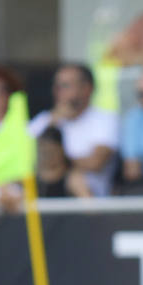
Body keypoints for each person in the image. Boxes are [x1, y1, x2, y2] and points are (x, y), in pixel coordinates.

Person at [27, 63, 119, 197]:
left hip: (88, 199)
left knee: (75, 179)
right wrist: (52, 122)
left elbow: (96, 163)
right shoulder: (46, 119)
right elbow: (21, 157)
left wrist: (58, 161)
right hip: (45, 190)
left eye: (65, 85)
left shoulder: (105, 119)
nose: (58, 91)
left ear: (87, 89)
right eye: (56, 86)